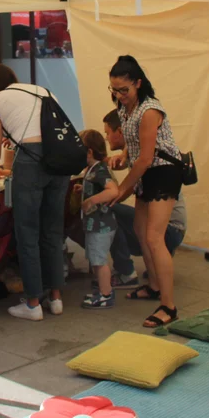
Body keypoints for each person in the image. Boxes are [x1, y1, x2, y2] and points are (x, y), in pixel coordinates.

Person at [0, 64, 66, 321]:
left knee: (27, 233)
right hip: (59, 162)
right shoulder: (41, 90)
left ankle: (33, 303)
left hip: (31, 164)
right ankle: (55, 298)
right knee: (52, 232)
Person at [107, 55, 183, 329]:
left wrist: (124, 188)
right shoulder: (127, 107)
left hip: (163, 172)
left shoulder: (150, 109)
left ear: (138, 83)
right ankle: (153, 286)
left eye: (124, 90)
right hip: (146, 172)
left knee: (153, 237)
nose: (119, 95)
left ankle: (169, 306)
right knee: (140, 231)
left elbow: (147, 158)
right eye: (114, 90)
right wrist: (122, 157)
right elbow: (134, 146)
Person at [103, 110, 186, 289]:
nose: (107, 138)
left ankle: (126, 273)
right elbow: (123, 163)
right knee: (140, 227)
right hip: (173, 229)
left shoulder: (145, 159)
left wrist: (99, 199)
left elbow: (125, 189)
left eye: (107, 133)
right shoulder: (139, 152)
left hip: (170, 231)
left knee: (107, 210)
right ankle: (157, 279)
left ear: (121, 131)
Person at [79, 129, 119, 309]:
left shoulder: (100, 170)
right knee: (96, 259)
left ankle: (105, 294)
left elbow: (113, 191)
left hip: (100, 225)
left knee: (99, 261)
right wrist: (84, 189)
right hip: (96, 224)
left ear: (89, 151)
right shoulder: (93, 170)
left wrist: (91, 200)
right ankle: (104, 289)